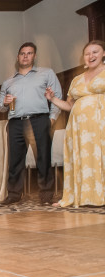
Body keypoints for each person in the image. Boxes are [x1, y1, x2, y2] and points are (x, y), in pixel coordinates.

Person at [0, 42, 62, 205]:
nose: (25, 56)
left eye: (29, 53)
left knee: (43, 158)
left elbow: (57, 96)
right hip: (16, 122)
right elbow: (1, 108)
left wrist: (52, 118)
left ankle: (46, 194)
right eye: (22, 53)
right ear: (17, 57)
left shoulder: (46, 73)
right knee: (15, 160)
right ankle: (14, 194)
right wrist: (5, 103)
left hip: (39, 119)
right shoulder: (8, 82)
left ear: (34, 56)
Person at [45, 40, 105, 207]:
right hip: (78, 128)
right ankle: (84, 196)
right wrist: (52, 99)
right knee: (82, 159)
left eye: (95, 52)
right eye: (87, 53)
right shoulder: (77, 79)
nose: (91, 56)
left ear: (103, 54)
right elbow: (69, 105)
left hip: (100, 124)